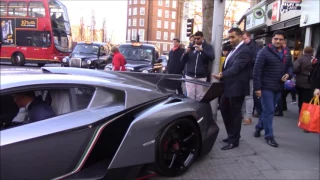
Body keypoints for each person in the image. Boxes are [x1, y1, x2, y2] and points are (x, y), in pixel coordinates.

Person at [212, 28, 251, 150]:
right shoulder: (233, 50)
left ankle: (234, 141)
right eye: (229, 37)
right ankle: (232, 135)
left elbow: (236, 68)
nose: (230, 40)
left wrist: (222, 75)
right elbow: (228, 66)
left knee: (234, 114)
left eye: (233, 37)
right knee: (224, 109)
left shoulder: (244, 50)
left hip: (237, 87)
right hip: (228, 86)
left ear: (240, 36)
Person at [253, 30, 293, 147]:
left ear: (284, 41)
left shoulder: (287, 52)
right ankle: (269, 136)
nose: (278, 41)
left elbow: (290, 66)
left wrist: (288, 74)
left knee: (267, 111)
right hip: (266, 87)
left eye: (280, 39)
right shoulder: (264, 52)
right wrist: (257, 88)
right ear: (272, 39)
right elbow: (256, 71)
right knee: (270, 111)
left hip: (279, 87)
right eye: (276, 39)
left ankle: (259, 126)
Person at [181, 31, 215, 100]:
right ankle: (191, 110)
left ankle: (198, 110)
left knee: (199, 96)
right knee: (190, 95)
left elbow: (212, 57)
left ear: (202, 38)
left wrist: (202, 50)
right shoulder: (191, 46)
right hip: (189, 75)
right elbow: (182, 60)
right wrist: (185, 53)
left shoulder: (208, 47)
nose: (196, 40)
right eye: (195, 39)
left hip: (201, 76)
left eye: (198, 38)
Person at [242, 31, 262, 125]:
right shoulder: (244, 46)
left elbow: (256, 60)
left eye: (244, 38)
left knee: (248, 96)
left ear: (249, 37)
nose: (243, 40)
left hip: (250, 74)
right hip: (243, 74)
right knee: (244, 96)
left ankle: (248, 116)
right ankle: (243, 115)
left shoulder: (255, 47)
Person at [293, 46, 314, 112]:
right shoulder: (315, 60)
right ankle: (307, 113)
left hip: (300, 81)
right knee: (308, 99)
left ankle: (301, 112)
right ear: (312, 52)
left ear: (304, 51)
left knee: (301, 98)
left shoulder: (301, 59)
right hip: (311, 82)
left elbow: (295, 69)